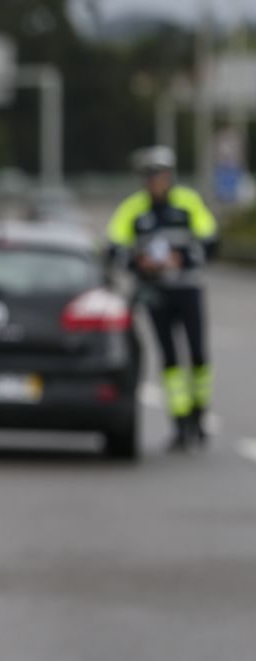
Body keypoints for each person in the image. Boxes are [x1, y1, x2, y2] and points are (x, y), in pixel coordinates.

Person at [106, 145, 218, 450]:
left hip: (187, 289)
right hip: (155, 294)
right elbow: (113, 247)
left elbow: (210, 241)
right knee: (169, 359)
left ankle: (199, 414)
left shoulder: (188, 203)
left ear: (169, 176)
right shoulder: (134, 209)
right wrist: (138, 262)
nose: (154, 182)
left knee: (197, 355)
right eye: (148, 177)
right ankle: (180, 423)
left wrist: (181, 260)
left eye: (159, 175)